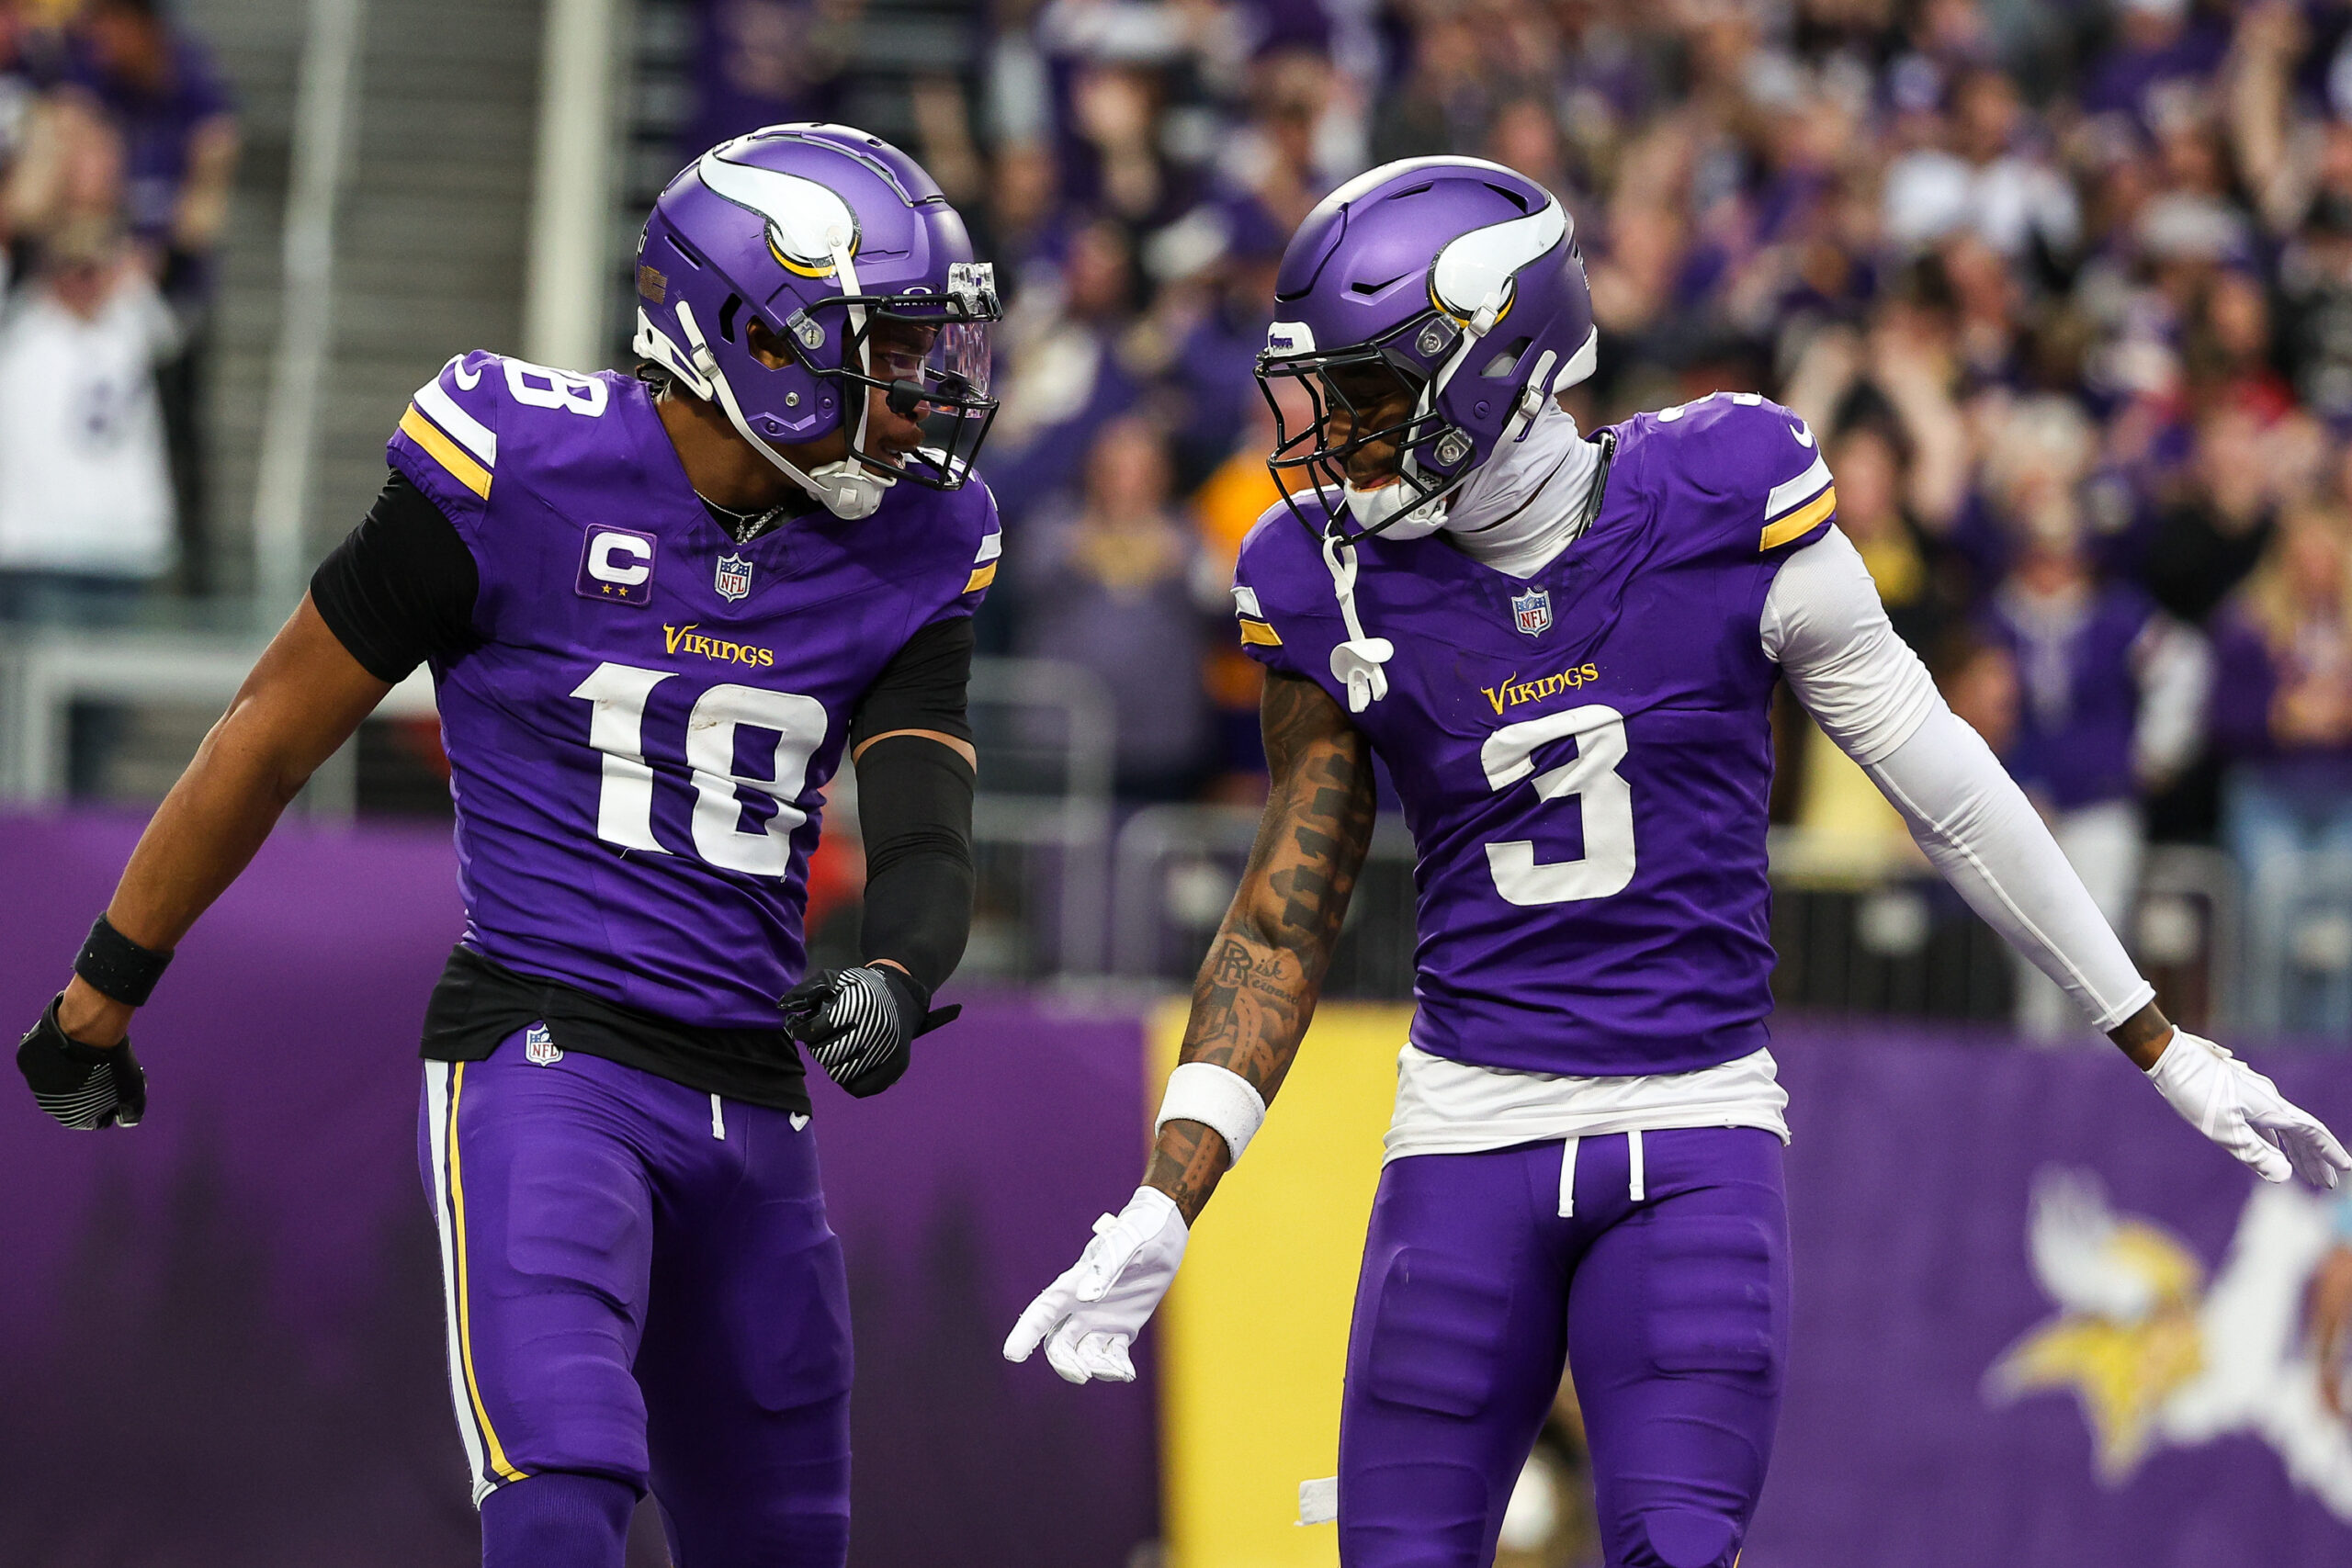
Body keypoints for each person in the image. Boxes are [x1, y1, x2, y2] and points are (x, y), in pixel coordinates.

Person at [1002, 156, 2350, 1568]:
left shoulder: (1722, 497)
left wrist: (2157, 1038)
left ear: (1495, 367)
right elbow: (1285, 915)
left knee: (1678, 1549)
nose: (1334, 439)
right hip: (1465, 1128)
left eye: (1372, 396)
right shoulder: (1324, 573)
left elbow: (1944, 785)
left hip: (1690, 1123)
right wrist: (1169, 1192)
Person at [14, 125, 1003, 1568]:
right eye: (888, 350)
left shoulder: (914, 542)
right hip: (551, 1061)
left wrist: (901, 976)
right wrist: (104, 987)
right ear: (753, 338)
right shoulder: (520, 465)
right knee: (562, 1482)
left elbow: (926, 830)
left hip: (753, 1093)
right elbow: (270, 736)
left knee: (788, 1539)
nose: (922, 399)